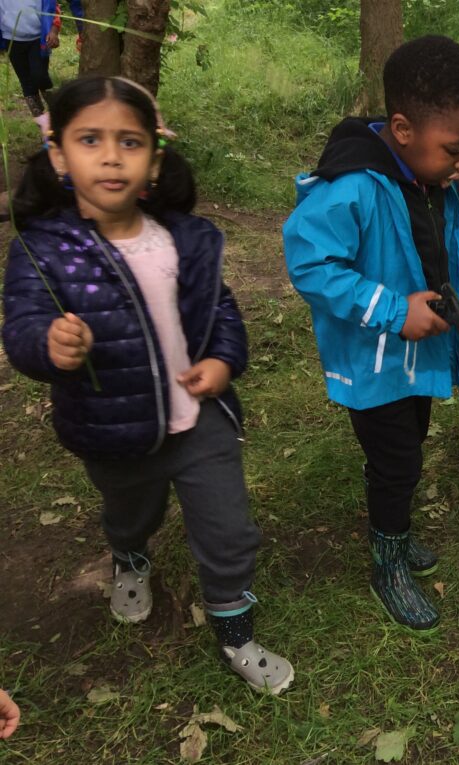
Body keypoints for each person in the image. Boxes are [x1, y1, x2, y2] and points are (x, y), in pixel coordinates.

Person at [2, 76, 293, 694]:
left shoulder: (184, 239)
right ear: (58, 156)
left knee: (228, 527)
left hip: (201, 420)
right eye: (90, 140)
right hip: (112, 427)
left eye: (130, 142)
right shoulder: (42, 251)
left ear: (154, 160)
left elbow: (222, 312)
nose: (111, 156)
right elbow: (23, 328)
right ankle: (130, 556)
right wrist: (50, 345)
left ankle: (234, 628)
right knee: (133, 512)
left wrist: (222, 362)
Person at [283, 36, 459, 633]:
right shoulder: (352, 187)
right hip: (375, 362)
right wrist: (391, 309)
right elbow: (310, 264)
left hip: (417, 359)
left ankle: (395, 535)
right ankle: (386, 561)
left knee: (411, 446)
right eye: (456, 149)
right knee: (394, 459)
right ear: (402, 128)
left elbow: (442, 259)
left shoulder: (433, 181)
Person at [0, 1, 83, 119]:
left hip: (38, 39)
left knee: (39, 76)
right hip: (12, 39)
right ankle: (42, 121)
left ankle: (58, 109)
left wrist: (53, 31)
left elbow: (53, 8)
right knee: (26, 82)